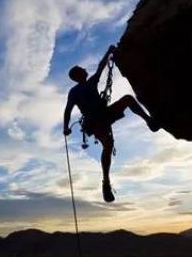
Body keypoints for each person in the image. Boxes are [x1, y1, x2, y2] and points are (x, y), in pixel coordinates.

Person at [63, 44, 160, 202]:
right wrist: (108, 51)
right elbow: (101, 67)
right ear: (79, 74)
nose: (84, 69)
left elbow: (67, 110)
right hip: (98, 119)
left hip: (98, 118)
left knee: (109, 142)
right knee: (126, 105)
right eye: (82, 69)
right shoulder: (85, 85)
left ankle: (150, 121)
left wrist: (66, 128)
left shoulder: (76, 90)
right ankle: (106, 182)